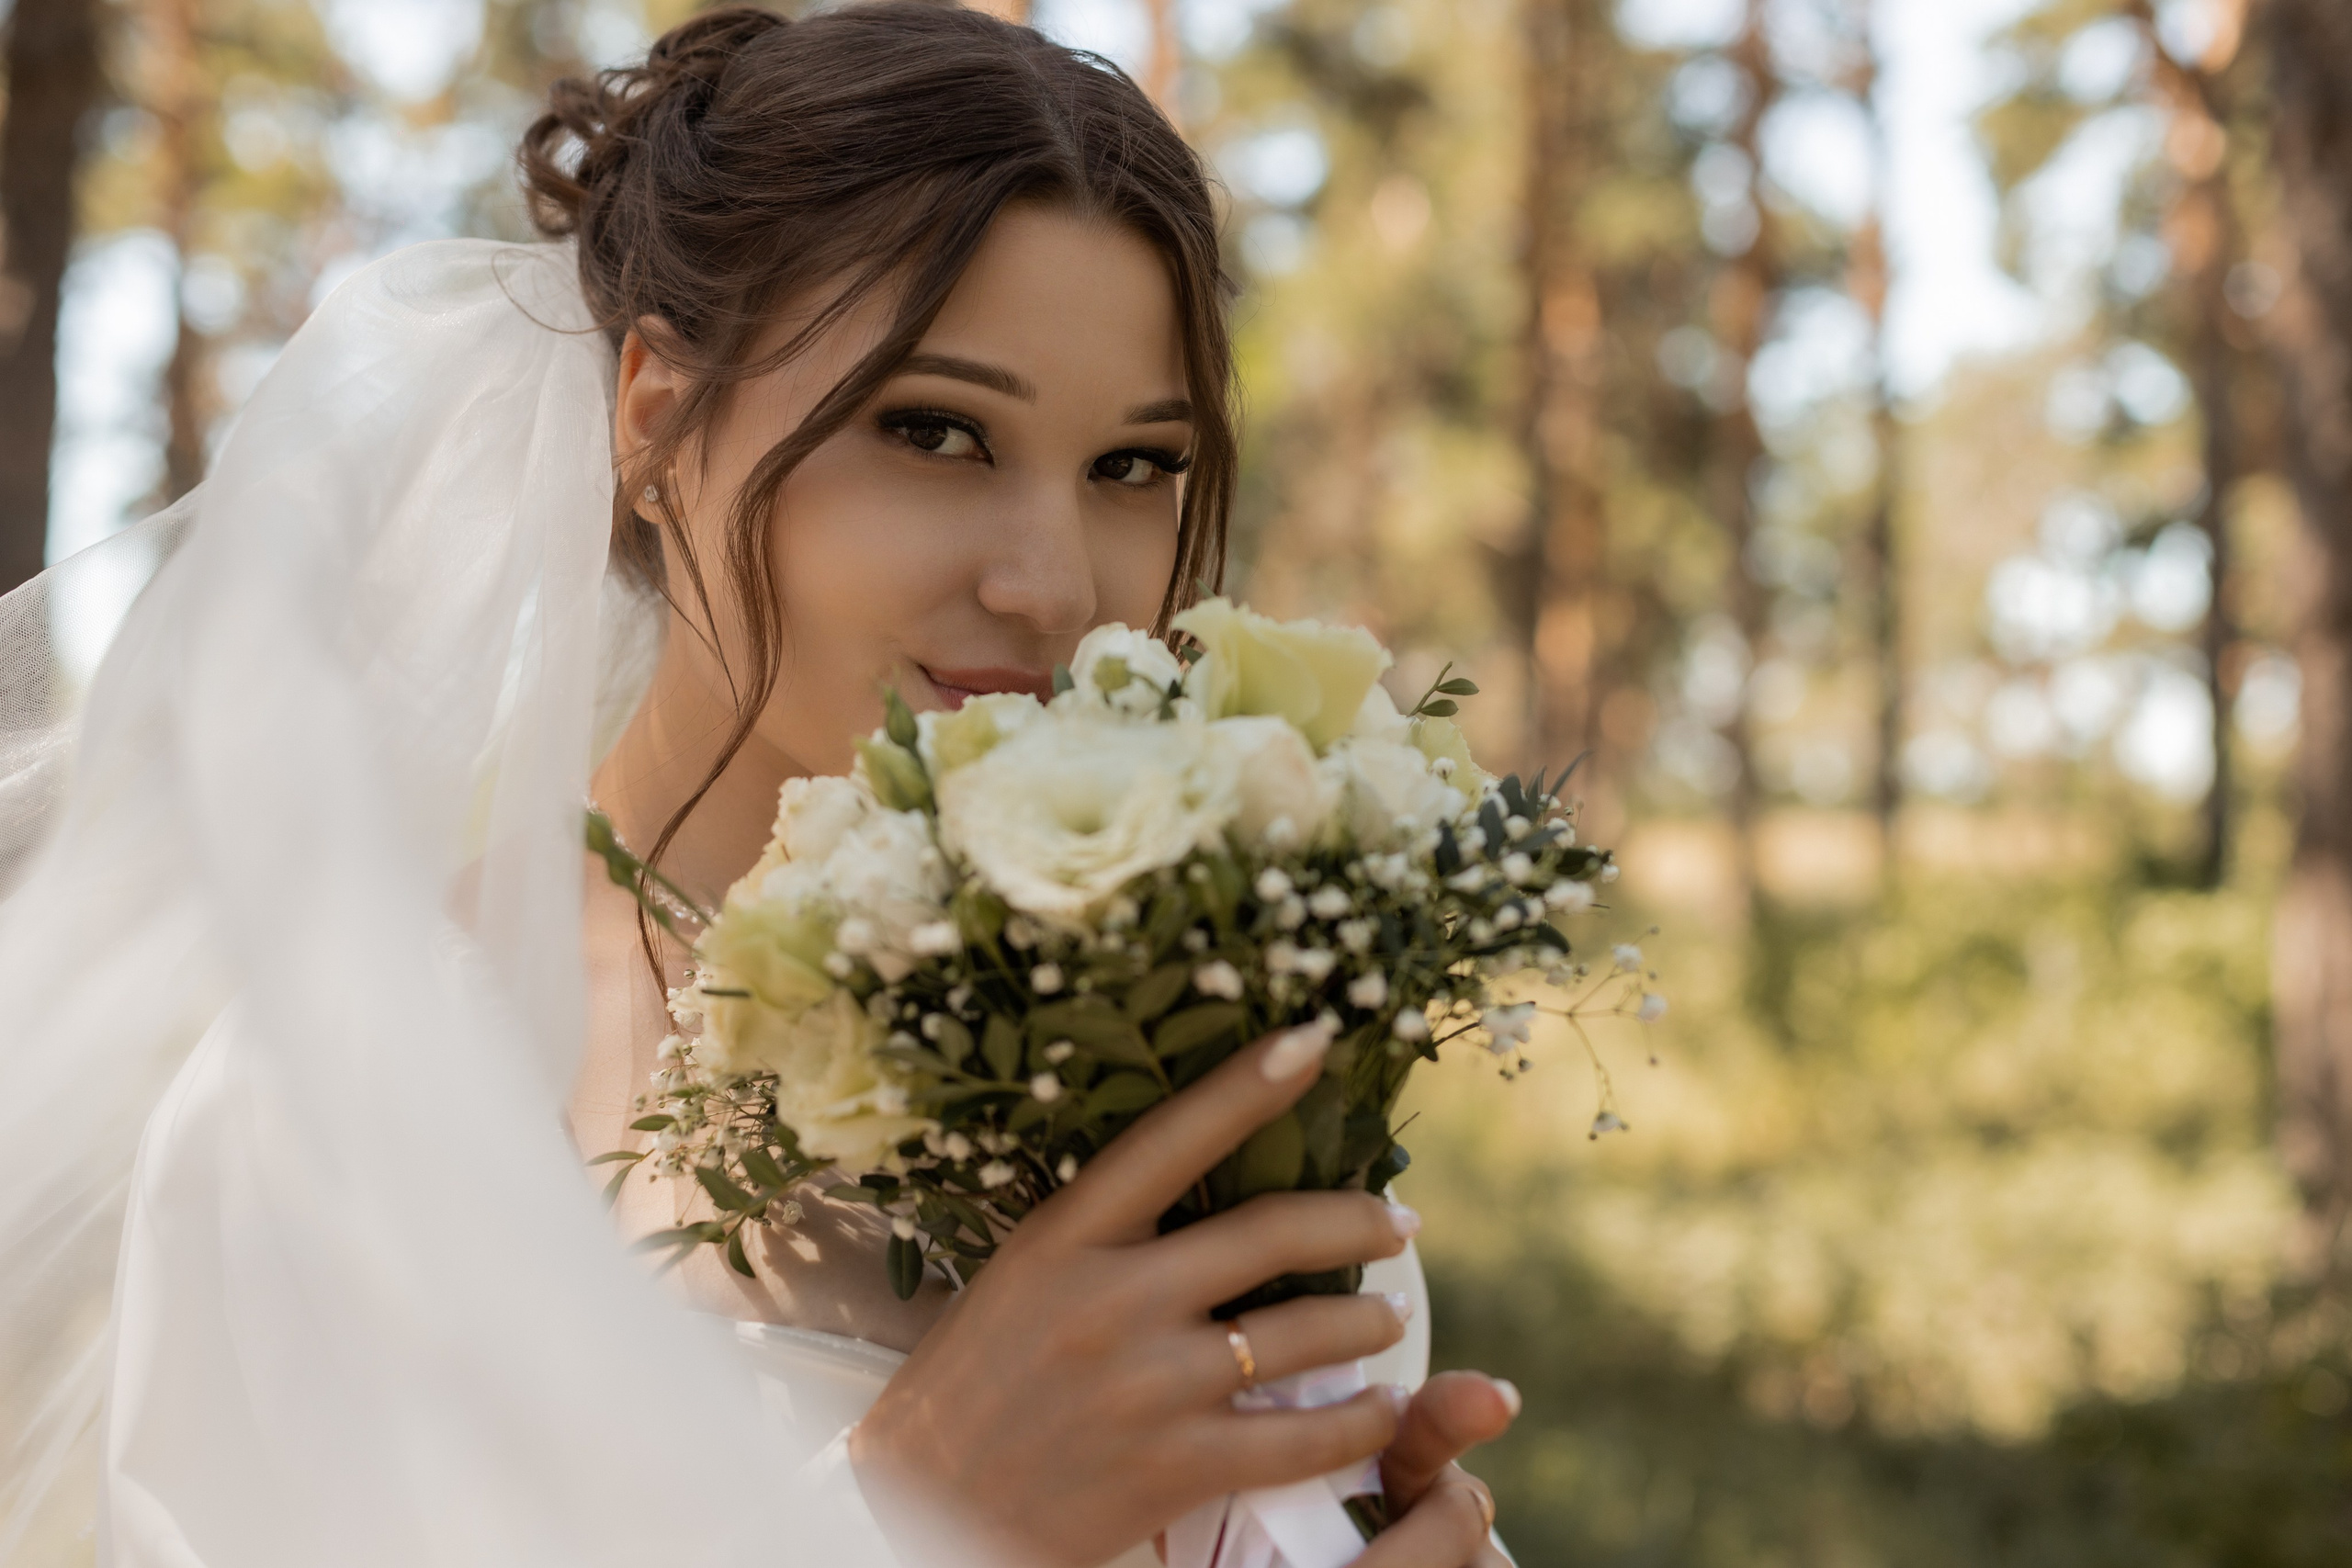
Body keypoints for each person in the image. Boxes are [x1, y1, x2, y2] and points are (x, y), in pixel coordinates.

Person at [0, 6, 1514, 1564]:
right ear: (657, 414)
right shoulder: (351, 1090)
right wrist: (913, 1511)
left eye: (1135, 466)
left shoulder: (1214, 1056)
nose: (1055, 585)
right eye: (936, 432)